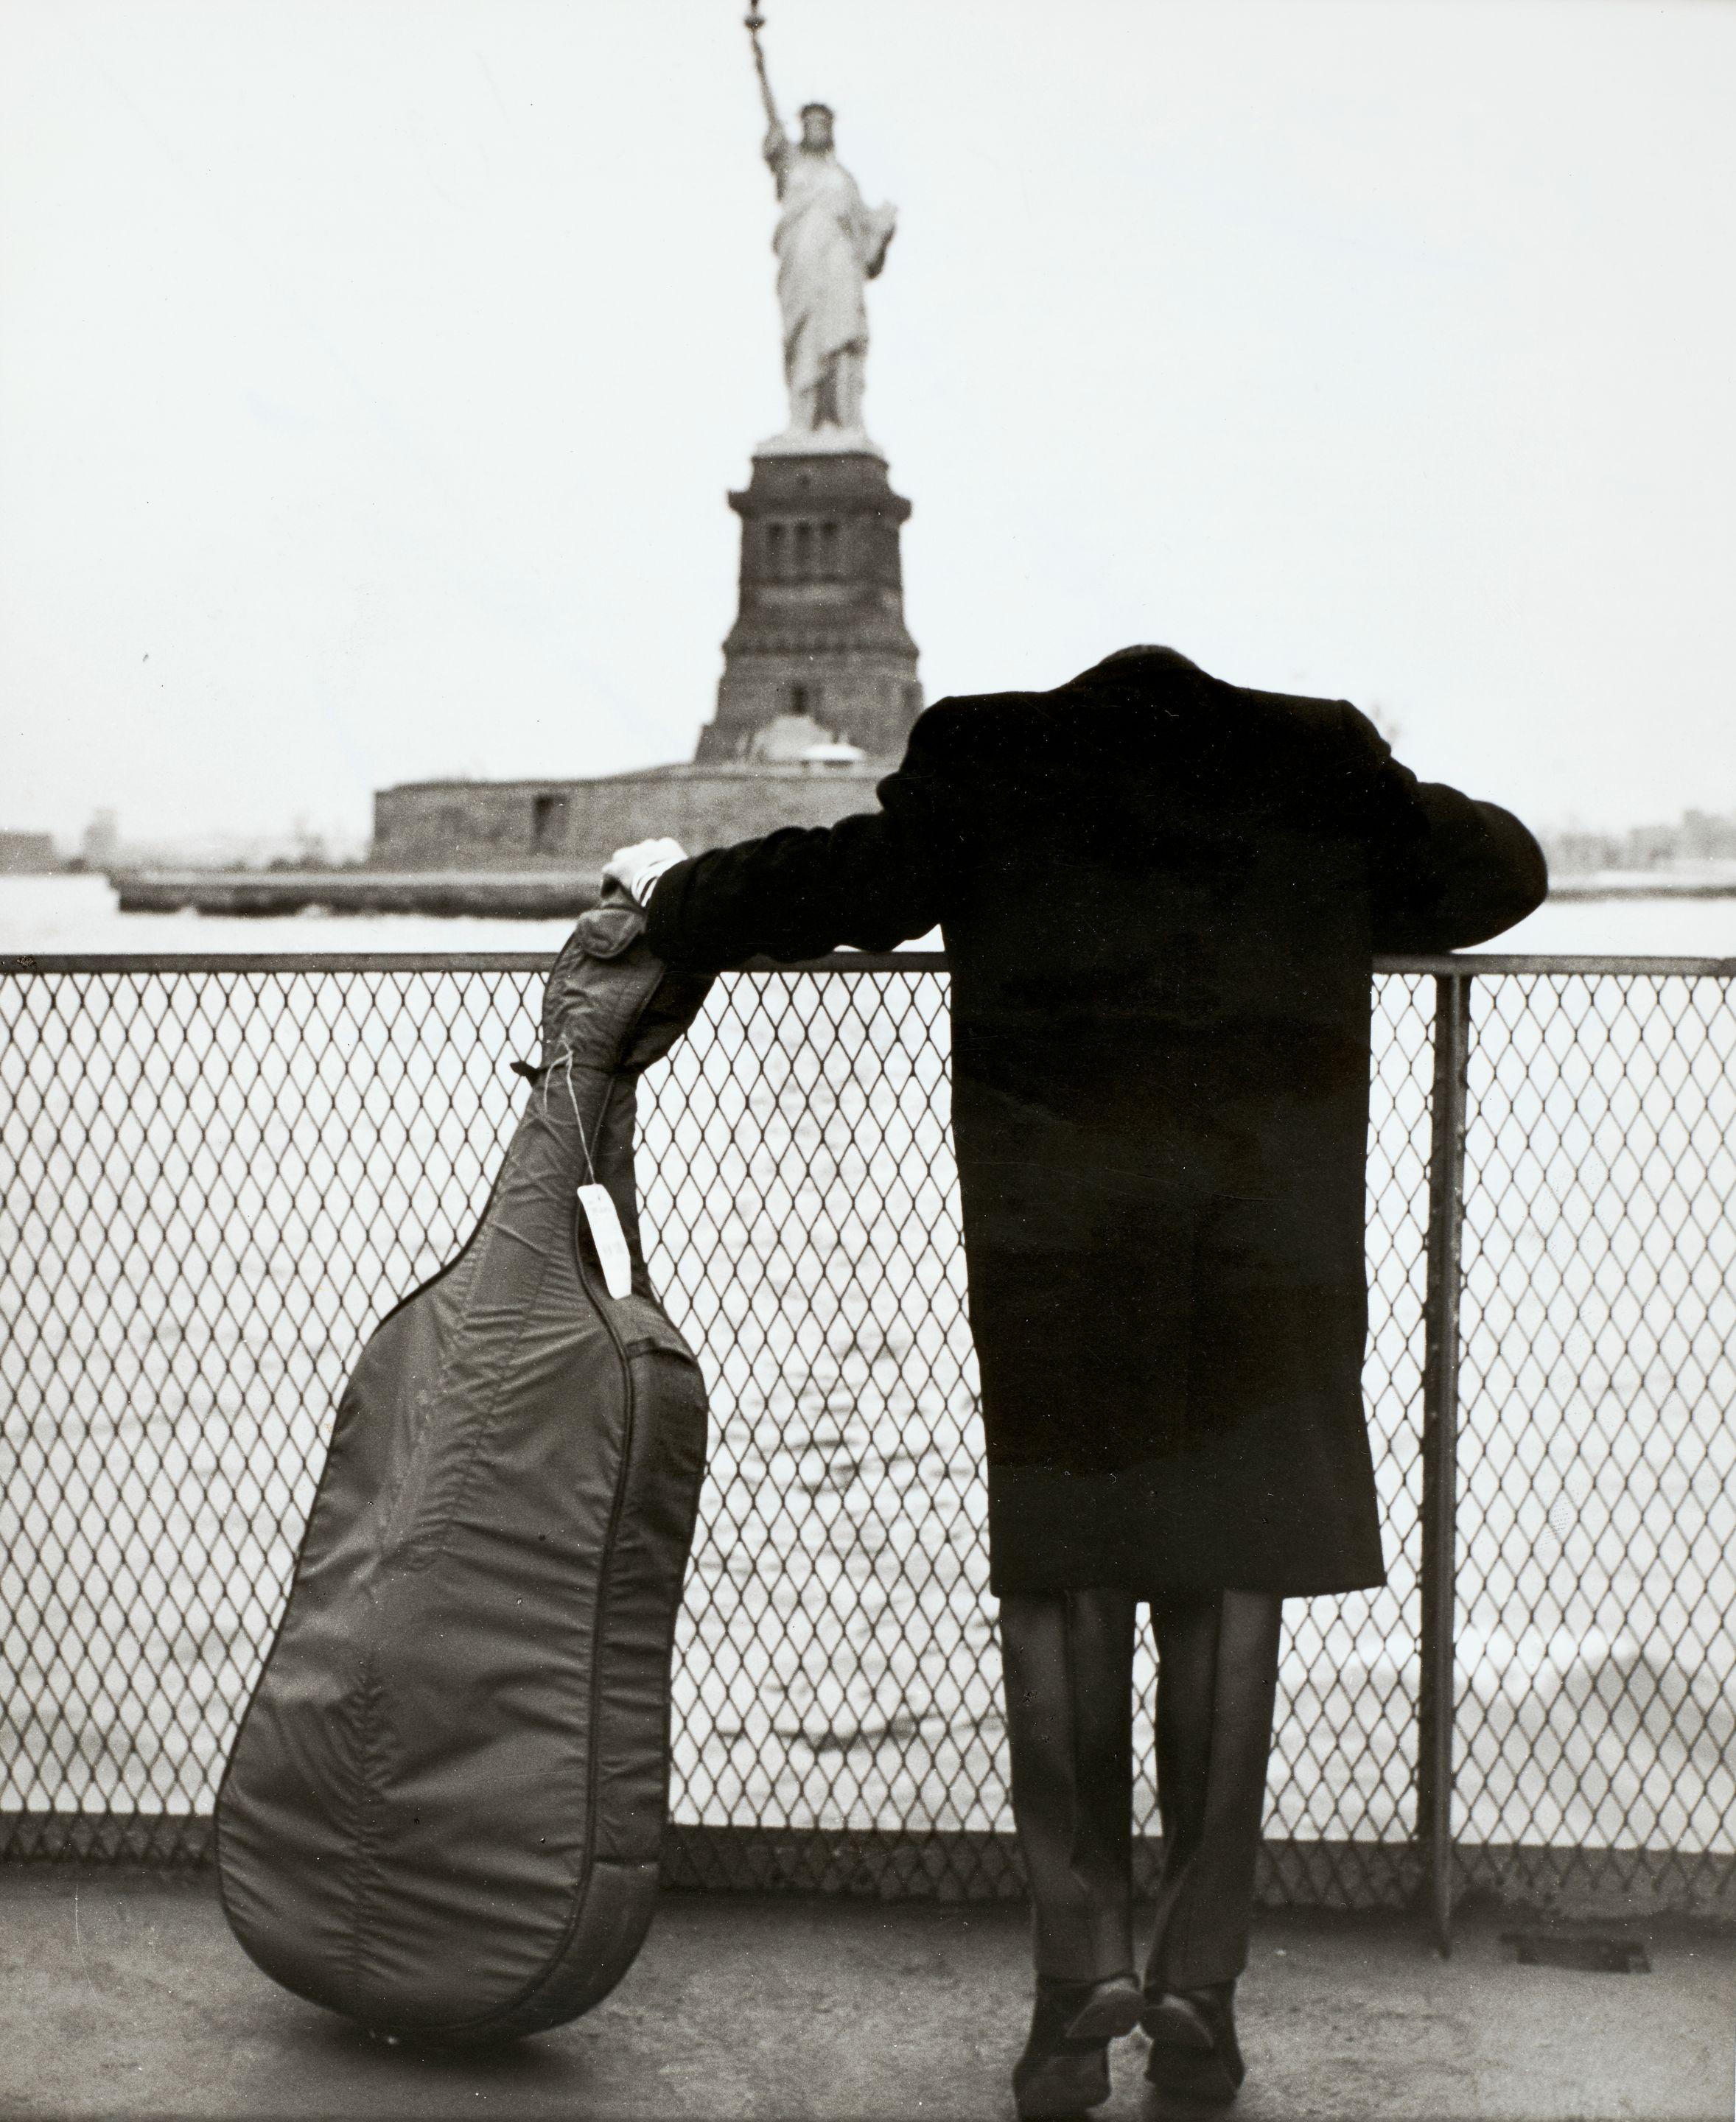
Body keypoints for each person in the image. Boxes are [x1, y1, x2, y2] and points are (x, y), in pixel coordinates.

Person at [606, 645, 1547, 2115]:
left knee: (1064, 1585)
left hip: (1060, 1247)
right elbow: (1499, 873)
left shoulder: (990, 757)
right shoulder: (1311, 762)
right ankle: (1199, 1995)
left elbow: (833, 888)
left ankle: (1073, 1991)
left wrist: (670, 896)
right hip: (1263, 1249)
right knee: (1228, 1596)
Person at [763, 102, 896, 437]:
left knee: (843, 333)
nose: (817, 128)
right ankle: (802, 421)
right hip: (803, 264)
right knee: (804, 336)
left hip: (839, 263)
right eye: (810, 123)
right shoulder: (792, 167)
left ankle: (842, 420)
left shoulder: (843, 179)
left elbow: (865, 230)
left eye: (823, 123)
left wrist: (882, 225)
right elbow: (775, 144)